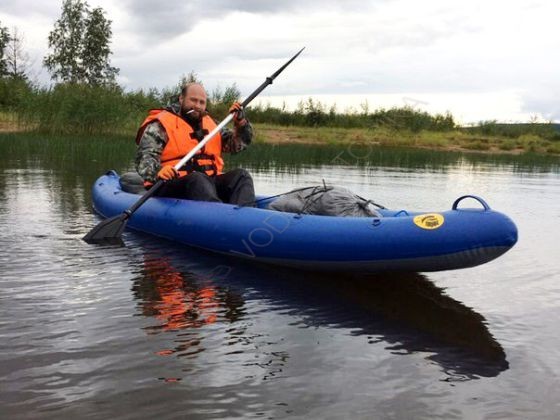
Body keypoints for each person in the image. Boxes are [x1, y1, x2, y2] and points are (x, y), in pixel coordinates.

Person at [135, 82, 255, 206]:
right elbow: (144, 158)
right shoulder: (160, 125)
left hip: (208, 182)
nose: (197, 106)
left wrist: (241, 124)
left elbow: (236, 145)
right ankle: (218, 218)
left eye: (202, 102)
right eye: (193, 100)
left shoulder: (212, 125)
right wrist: (158, 171)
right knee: (197, 178)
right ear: (181, 99)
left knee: (241, 176)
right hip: (171, 183)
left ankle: (245, 218)